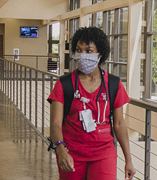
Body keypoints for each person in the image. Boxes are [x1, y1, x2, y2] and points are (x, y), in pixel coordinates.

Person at [48, 27, 135, 180]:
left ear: (99, 53)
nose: (82, 55)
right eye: (78, 50)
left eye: (88, 51)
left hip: (103, 153)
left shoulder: (113, 84)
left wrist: (128, 160)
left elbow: (120, 124)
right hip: (71, 152)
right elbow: (55, 123)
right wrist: (61, 150)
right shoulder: (64, 84)